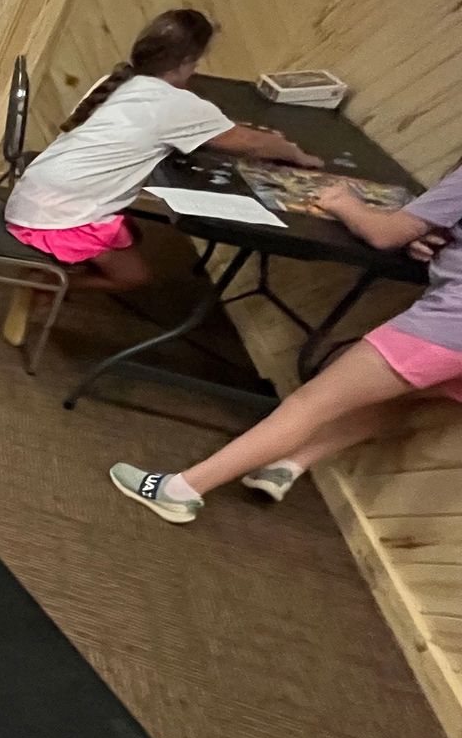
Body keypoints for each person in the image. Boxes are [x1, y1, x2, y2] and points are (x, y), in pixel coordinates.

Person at [109, 162, 462, 524]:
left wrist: (343, 202)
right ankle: (288, 464)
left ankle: (179, 491)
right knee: (400, 398)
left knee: (310, 403)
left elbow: (386, 234)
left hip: (449, 326)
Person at [0, 9, 324, 346]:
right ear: (186, 63)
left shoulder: (122, 82)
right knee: (134, 276)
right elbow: (253, 143)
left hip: (35, 189)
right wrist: (298, 155)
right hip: (57, 213)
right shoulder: (176, 104)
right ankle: (44, 285)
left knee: (129, 237)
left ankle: (56, 275)